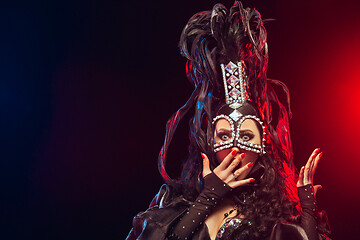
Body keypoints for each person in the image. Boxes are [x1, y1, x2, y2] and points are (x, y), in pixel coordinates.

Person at [126, 1, 331, 239]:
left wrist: (307, 213)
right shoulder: (175, 201)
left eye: (246, 136)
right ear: (210, 143)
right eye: (224, 135)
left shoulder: (275, 219)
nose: (235, 145)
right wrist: (207, 199)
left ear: (262, 144)